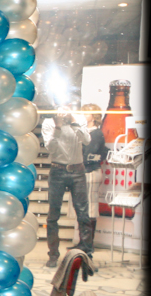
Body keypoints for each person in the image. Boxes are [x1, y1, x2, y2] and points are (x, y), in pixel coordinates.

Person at [42, 105, 94, 267]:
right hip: (57, 170)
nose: (64, 110)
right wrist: (57, 127)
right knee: (53, 215)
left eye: (68, 106)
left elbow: (87, 140)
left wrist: (73, 121)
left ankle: (87, 255)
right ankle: (53, 255)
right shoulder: (49, 122)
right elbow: (50, 148)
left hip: (78, 170)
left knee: (83, 214)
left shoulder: (79, 118)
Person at [73, 103, 107, 270]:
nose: (82, 116)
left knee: (90, 209)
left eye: (86, 113)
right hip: (81, 172)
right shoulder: (82, 132)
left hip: (90, 172)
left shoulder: (96, 134)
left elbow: (88, 155)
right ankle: (83, 242)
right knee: (81, 208)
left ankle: (88, 245)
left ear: (93, 117)